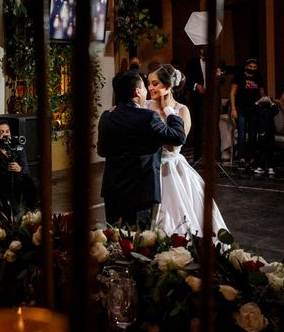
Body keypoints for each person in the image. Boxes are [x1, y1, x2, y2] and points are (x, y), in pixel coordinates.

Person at [145, 64, 228, 236]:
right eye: (148, 83)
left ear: (168, 86)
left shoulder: (181, 110)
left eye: (155, 84)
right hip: (147, 167)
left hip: (170, 169)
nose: (149, 88)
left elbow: (175, 144)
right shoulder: (145, 106)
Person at [97, 70, 186, 229]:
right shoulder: (148, 118)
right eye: (144, 87)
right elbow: (178, 137)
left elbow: (102, 151)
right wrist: (169, 110)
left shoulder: (107, 116)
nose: (147, 90)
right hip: (139, 193)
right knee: (137, 243)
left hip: (113, 190)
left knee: (113, 239)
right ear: (137, 91)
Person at [0, 122, 37, 212]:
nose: (5, 135)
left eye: (7, 131)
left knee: (33, 183)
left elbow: (26, 170)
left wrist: (20, 169)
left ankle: (30, 213)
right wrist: (6, 170)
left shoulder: (17, 146)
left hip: (18, 180)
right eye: (0, 132)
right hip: (1, 183)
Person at [229, 58, 266, 167]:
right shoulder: (239, 76)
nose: (252, 69)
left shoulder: (258, 78)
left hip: (254, 109)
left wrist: (262, 101)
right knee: (241, 132)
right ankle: (241, 157)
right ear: (246, 66)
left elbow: (262, 93)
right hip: (241, 108)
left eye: (255, 67)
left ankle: (252, 157)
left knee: (253, 134)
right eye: (250, 66)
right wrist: (233, 109)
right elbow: (232, 93)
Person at [185, 46, 209, 162]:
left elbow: (223, 80)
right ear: (201, 50)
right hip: (198, 99)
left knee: (213, 127)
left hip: (212, 99)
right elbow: (186, 81)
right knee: (199, 126)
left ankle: (214, 157)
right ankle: (198, 156)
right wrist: (196, 85)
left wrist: (218, 77)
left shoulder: (216, 63)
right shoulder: (192, 63)